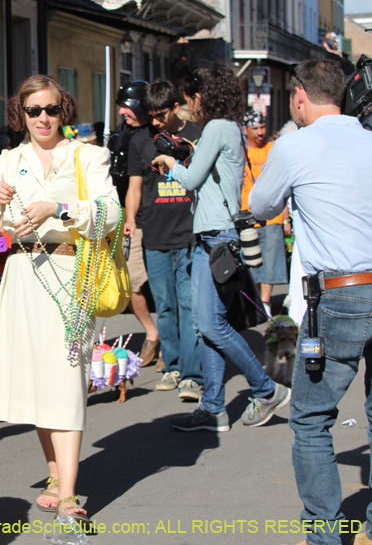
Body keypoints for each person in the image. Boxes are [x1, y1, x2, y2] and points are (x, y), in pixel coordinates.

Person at [0, 74, 120, 522]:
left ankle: (70, 496)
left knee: (66, 377)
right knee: (39, 380)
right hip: (21, 272)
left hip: (72, 273)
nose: (43, 119)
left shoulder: (87, 155)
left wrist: (59, 208)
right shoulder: (8, 159)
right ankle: (55, 474)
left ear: (63, 110)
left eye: (51, 109)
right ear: (21, 114)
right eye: (33, 111)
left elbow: (109, 213)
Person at [248, 59, 372, 545]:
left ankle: (323, 534)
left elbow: (261, 206)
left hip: (339, 296)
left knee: (311, 418)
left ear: (299, 96)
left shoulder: (295, 145)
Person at [152, 63, 291, 433]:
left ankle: (266, 388)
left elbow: (191, 180)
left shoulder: (216, 127)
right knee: (208, 326)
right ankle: (213, 408)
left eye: (188, 100)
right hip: (218, 238)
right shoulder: (229, 128)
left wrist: (168, 162)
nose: (186, 108)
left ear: (202, 95)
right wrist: (188, 153)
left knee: (211, 325)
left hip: (215, 239)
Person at [131, 80, 203, 400]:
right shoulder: (139, 140)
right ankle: (171, 366)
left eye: (160, 116)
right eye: (150, 117)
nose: (155, 123)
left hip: (189, 230)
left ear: (175, 107)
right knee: (165, 305)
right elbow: (135, 186)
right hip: (155, 233)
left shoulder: (198, 133)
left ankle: (192, 373)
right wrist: (131, 220)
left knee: (189, 305)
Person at [116, 80, 162, 367]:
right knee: (131, 281)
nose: (122, 111)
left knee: (163, 285)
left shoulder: (159, 134)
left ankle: (171, 342)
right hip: (129, 219)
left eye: (126, 105)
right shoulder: (124, 137)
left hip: (162, 218)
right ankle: (152, 333)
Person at [241, 110, 290, 317]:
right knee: (249, 262)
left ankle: (266, 302)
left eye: (263, 127)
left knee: (269, 260)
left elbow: (284, 184)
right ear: (245, 130)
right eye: (255, 129)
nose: (261, 132)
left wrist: (286, 217)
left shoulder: (273, 149)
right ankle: (253, 301)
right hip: (246, 215)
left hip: (272, 215)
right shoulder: (240, 151)